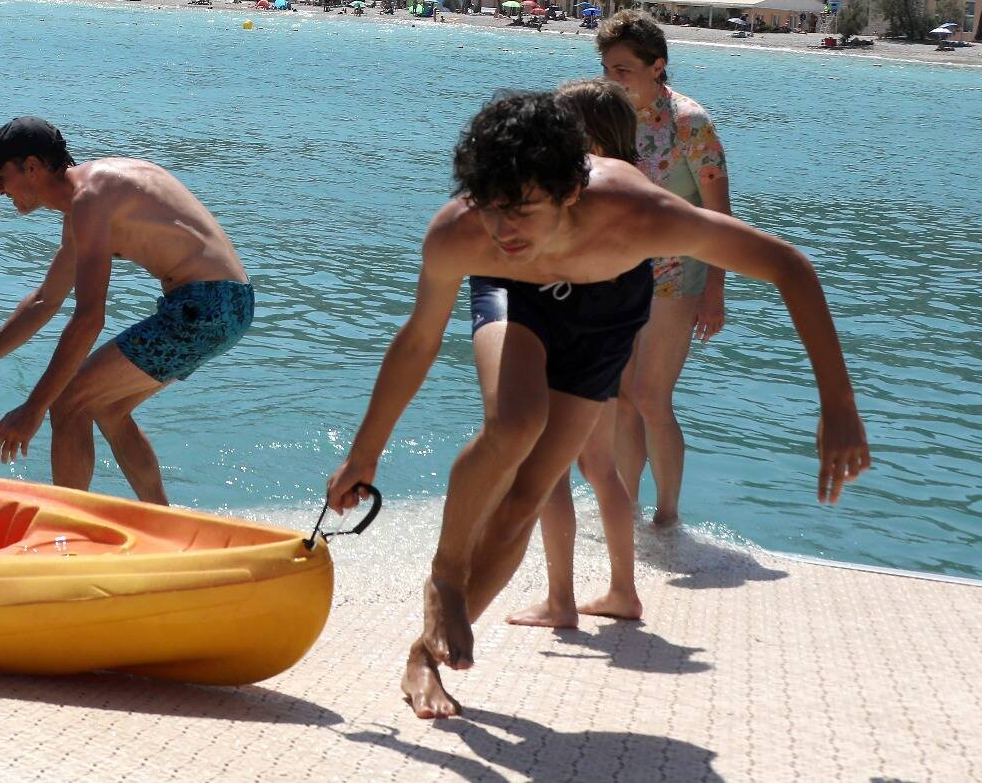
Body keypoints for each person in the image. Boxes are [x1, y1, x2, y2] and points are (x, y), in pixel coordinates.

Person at [324, 91, 869, 719]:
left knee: (529, 496)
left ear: (569, 191)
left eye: (522, 210)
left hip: (606, 316)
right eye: (491, 207)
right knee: (515, 422)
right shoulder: (464, 232)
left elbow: (788, 266)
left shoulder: (639, 212)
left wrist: (838, 404)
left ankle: (424, 659)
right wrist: (363, 456)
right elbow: (418, 341)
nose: (503, 230)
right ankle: (445, 577)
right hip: (514, 297)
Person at [0, 117, 252, 504]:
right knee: (109, 409)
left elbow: (90, 318)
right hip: (225, 305)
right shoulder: (89, 198)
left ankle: (68, 530)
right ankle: (162, 519)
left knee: (68, 401)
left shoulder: (89, 198)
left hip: (205, 306)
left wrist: (33, 409)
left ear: (32, 167)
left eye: (2, 176)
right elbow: (46, 301)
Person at [507, 79, 646, 630]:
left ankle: (560, 599)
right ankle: (622, 590)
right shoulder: (637, 186)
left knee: (551, 470)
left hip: (565, 339)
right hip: (613, 341)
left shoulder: (578, 188)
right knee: (600, 467)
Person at [598, 10, 731, 527]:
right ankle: (624, 509)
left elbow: (720, 214)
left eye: (624, 69)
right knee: (622, 397)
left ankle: (667, 516)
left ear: (658, 66)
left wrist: (715, 291)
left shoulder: (690, 123)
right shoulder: (611, 120)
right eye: (608, 68)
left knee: (652, 397)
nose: (613, 79)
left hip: (678, 275)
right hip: (619, 273)